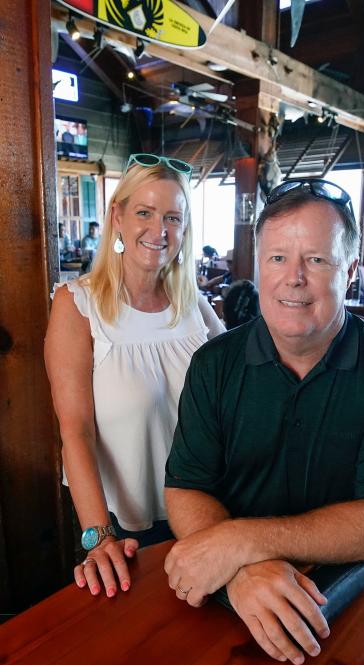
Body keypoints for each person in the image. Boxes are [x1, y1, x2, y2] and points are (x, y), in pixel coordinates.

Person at [162, 178, 364, 665]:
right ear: (258, 268)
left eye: (317, 259)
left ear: (348, 271)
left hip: (338, 599)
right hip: (228, 596)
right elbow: (186, 486)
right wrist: (242, 571)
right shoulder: (213, 363)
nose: (294, 277)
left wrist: (241, 542)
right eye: (278, 258)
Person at [44, 154, 224, 600]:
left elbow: (242, 389)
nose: (159, 230)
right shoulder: (77, 305)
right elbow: (76, 430)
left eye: (173, 217)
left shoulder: (194, 304)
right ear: (117, 217)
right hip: (125, 520)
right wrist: (97, 536)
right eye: (144, 212)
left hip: (207, 506)